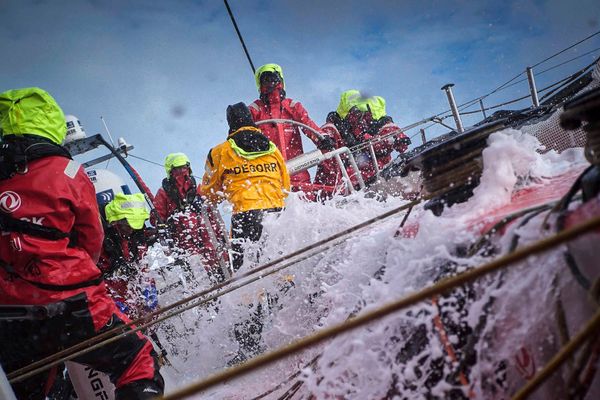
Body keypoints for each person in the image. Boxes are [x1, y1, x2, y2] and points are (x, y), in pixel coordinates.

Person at [0, 87, 163, 399]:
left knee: (32, 390)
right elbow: (91, 242)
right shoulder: (70, 172)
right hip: (71, 308)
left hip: (9, 317)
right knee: (138, 361)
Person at [201, 102, 290, 272]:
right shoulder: (272, 148)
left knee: (245, 274)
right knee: (282, 267)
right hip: (278, 213)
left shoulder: (218, 152)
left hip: (246, 216)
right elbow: (285, 185)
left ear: (230, 123)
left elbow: (210, 193)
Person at [249, 63, 335, 192]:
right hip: (269, 175)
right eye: (266, 80)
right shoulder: (255, 110)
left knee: (306, 203)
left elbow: (308, 125)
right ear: (260, 84)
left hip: (297, 171)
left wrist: (322, 138)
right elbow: (243, 132)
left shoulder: (292, 106)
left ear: (281, 81)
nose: (271, 83)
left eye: (274, 78)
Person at [153, 152, 230, 283]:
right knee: (198, 277)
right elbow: (156, 218)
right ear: (171, 172)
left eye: (185, 168)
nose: (182, 171)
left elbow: (211, 214)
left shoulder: (197, 188)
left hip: (207, 238)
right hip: (184, 243)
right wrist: (165, 224)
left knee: (223, 269)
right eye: (178, 169)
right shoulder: (163, 193)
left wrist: (222, 236)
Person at [315, 90, 411, 188]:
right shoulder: (338, 127)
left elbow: (392, 139)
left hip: (359, 177)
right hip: (350, 179)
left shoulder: (366, 127)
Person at [98, 193, 158, 320]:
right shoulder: (99, 241)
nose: (131, 230)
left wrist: (149, 286)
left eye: (136, 225)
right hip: (111, 297)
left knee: (150, 317)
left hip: (132, 292)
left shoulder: (136, 236)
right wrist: (112, 302)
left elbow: (142, 265)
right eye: (128, 226)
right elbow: (95, 279)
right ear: (116, 222)